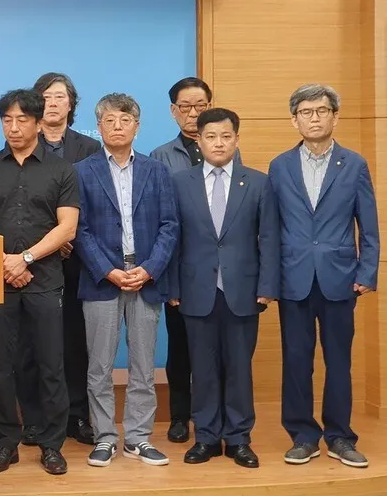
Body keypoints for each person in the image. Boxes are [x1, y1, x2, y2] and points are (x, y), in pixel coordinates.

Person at [0, 89, 80, 476]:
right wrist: (2, 262)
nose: (14, 128)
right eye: (7, 120)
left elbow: (67, 227)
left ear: (37, 122)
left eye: (22, 120)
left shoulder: (61, 170)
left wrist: (25, 258)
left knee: (50, 365)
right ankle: (5, 444)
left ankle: (50, 445)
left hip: (45, 281)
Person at [269, 84, 379, 468]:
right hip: (293, 278)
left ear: (335, 115)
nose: (313, 118)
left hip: (340, 279)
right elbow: (271, 228)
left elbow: (369, 224)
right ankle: (303, 435)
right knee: (296, 361)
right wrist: (269, 281)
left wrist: (367, 271)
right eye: (305, 112)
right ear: (294, 119)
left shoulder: (354, 164)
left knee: (339, 361)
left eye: (321, 111)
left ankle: (340, 437)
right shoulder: (280, 165)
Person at [168, 108, 279, 469]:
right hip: (195, 289)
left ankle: (239, 438)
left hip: (243, 291)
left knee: (239, 369)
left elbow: (270, 239)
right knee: (202, 368)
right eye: (211, 137)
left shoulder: (258, 183)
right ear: (198, 141)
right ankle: (206, 437)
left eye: (226, 136)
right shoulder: (181, 182)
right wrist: (171, 285)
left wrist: (267, 285)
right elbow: (173, 238)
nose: (219, 143)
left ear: (236, 139)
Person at [74, 93, 178, 468]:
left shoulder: (157, 170)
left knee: (142, 363)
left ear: (137, 125)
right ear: (98, 126)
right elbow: (79, 230)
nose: (117, 127)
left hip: (145, 277)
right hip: (102, 279)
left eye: (125, 120)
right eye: (109, 121)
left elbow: (170, 226)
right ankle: (104, 437)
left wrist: (149, 269)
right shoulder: (81, 171)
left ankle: (137, 437)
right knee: (99, 365)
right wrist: (109, 270)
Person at [150, 77, 236, 444]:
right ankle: (180, 416)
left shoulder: (228, 149)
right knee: (181, 349)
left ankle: (217, 419)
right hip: (181, 269)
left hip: (222, 272)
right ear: (173, 112)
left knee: (220, 351)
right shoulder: (159, 156)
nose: (193, 113)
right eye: (185, 107)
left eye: (200, 105)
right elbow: (158, 222)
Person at [17, 72, 100, 448]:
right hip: (31, 260)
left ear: (71, 104)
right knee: (32, 343)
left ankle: (77, 416)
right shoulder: (22, 147)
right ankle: (34, 420)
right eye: (46, 96)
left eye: (60, 97)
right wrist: (45, 244)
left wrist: (70, 239)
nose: (53, 103)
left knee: (74, 341)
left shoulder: (89, 149)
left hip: (78, 258)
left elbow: (99, 206)